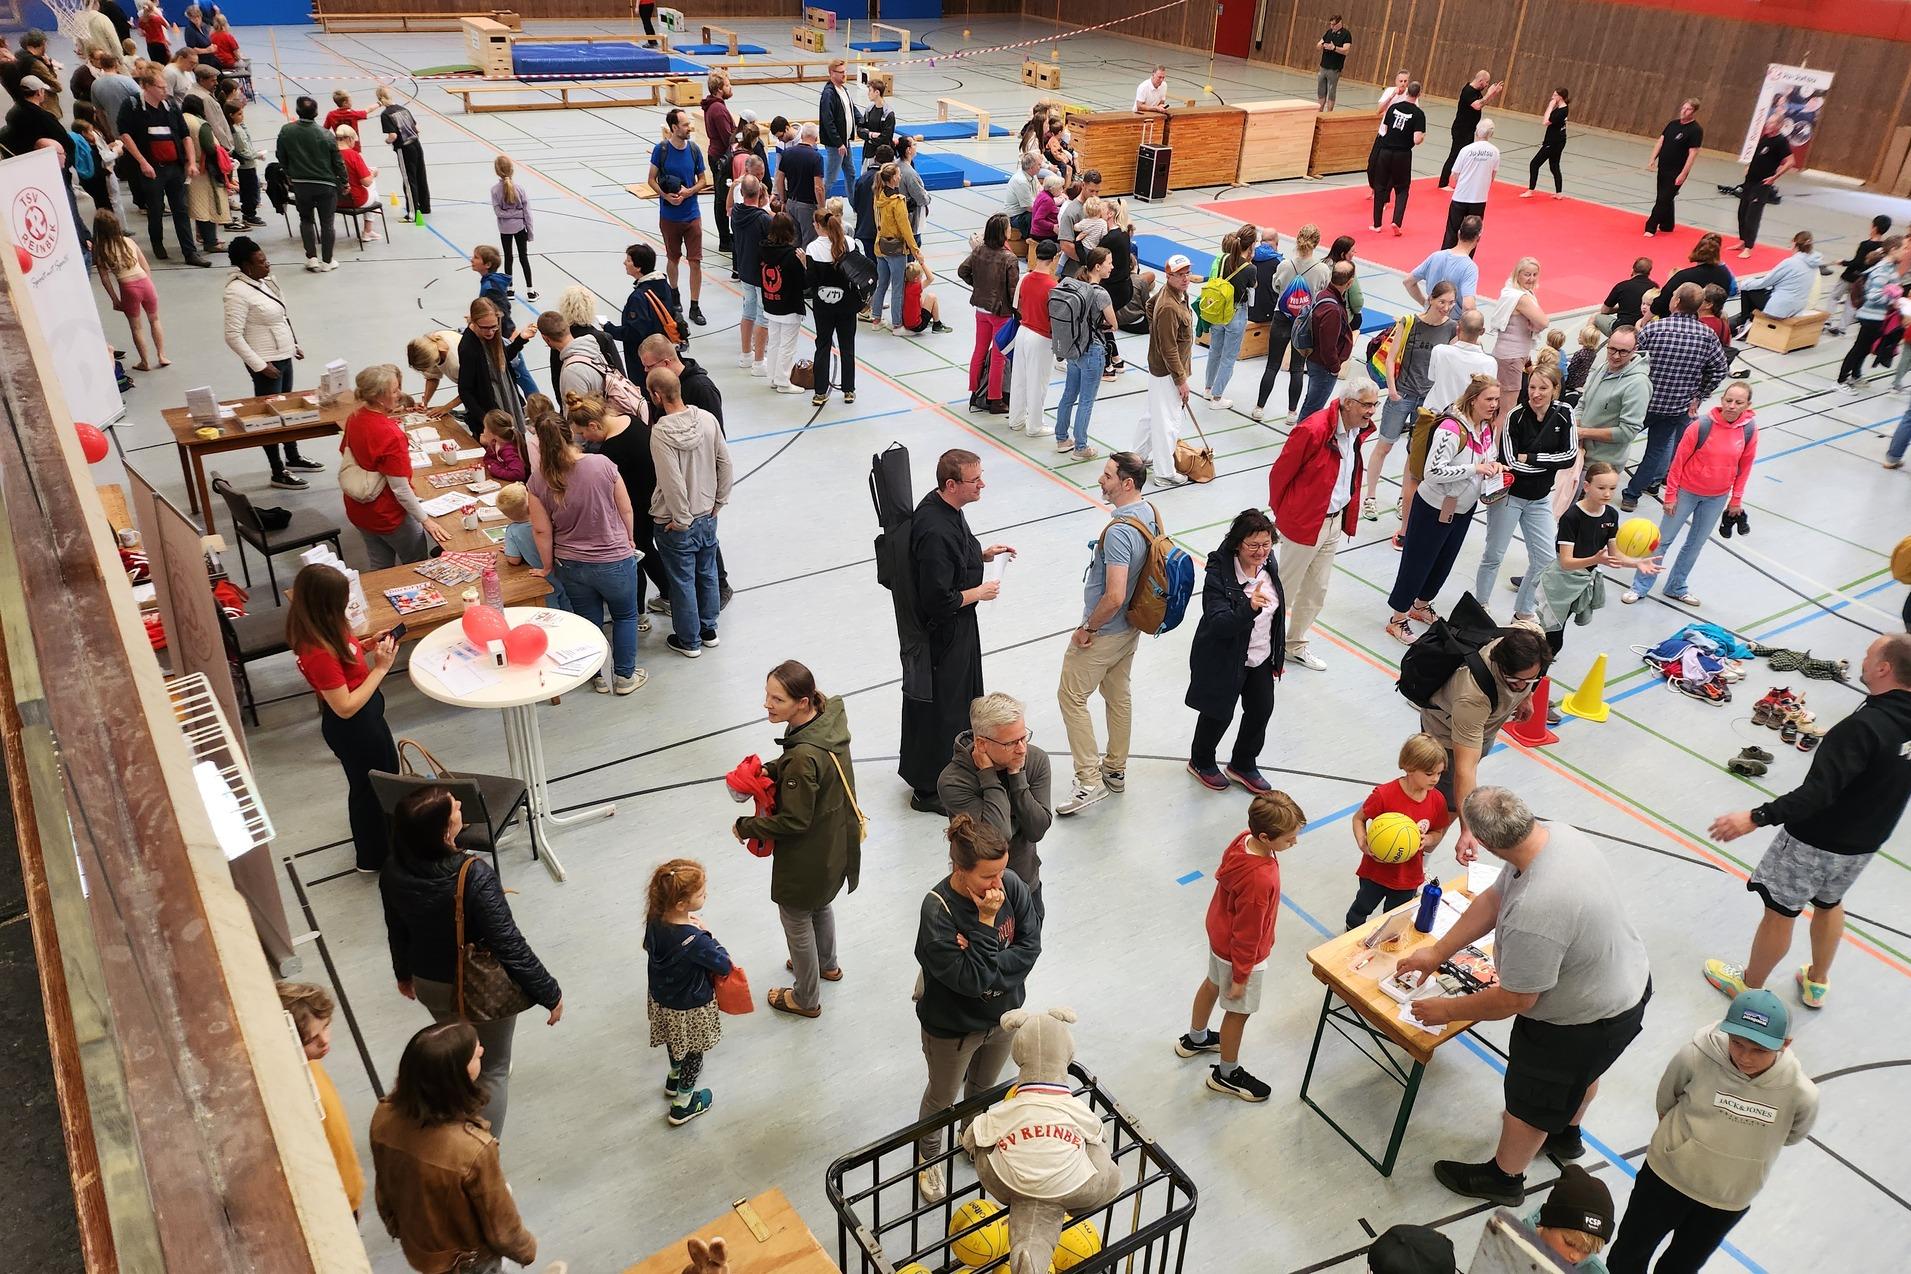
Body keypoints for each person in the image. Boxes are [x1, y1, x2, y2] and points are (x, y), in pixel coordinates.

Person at [1398, 787, 1652, 1206]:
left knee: (1530, 1103)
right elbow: (1496, 898)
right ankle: (1566, 1137)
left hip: (1582, 1020)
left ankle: (1504, 1178)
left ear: (1489, 844)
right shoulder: (1557, 835)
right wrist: (1437, 952)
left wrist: (1446, 1009)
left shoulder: (1537, 907)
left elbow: (1516, 1000)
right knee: (1582, 1075)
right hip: (1623, 989)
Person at [1702, 633, 1911, 1008]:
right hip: (1865, 842)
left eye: (1868, 655)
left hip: (1817, 839)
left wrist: (1755, 817)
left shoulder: (1864, 728)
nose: (1861, 660)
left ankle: (1748, 986)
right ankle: (1817, 981)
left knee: (1780, 912)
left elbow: (1818, 794)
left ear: (1884, 668)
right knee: (1830, 902)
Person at [381, 785, 563, 1139]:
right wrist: (550, 993)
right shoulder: (472, 873)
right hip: (477, 985)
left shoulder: (393, 868)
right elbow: (509, 943)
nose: (462, 804)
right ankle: (482, 1152)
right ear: (445, 831)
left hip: (428, 983)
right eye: (454, 809)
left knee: (460, 1052)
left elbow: (396, 927)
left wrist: (403, 974)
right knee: (493, 1067)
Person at [1607, 991, 1819, 1274]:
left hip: (1726, 1201)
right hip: (1665, 1180)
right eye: (1738, 1043)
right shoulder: (1695, 1056)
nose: (1745, 1057)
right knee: (1627, 1256)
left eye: (1759, 1050)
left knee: (1681, 1267)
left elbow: (1792, 1135)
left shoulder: (1801, 1094)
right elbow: (1666, 1101)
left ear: (1785, 1044)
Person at [912, 813, 1043, 1203]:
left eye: (1001, 872)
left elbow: (1030, 947)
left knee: (984, 1087)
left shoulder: (1012, 885)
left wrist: (986, 966)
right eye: (988, 876)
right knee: (941, 1097)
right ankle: (928, 1157)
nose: (998, 884)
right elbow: (968, 983)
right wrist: (986, 923)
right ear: (959, 869)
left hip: (1001, 1018)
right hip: (952, 1027)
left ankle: (973, 1134)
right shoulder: (938, 912)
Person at [733, 660, 861, 1017]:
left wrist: (746, 827)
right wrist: (775, 768)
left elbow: (793, 821)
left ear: (802, 702)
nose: (767, 704)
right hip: (834, 843)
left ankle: (805, 997)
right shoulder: (827, 721)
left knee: (796, 918)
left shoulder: (803, 756)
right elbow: (807, 766)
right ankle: (828, 964)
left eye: (777, 699)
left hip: (807, 855)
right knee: (820, 905)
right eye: (767, 695)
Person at [370, 1022, 539, 1271]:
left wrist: (395, 1224)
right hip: (467, 1261)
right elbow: (501, 1229)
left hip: (422, 1250)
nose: (481, 1051)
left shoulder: (384, 1115)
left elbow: (384, 1184)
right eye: (474, 1053)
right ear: (457, 1075)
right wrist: (527, 1249)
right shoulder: (473, 1150)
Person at [900, 450, 1011, 812]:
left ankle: (952, 772)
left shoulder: (946, 511)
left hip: (958, 628)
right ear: (951, 485)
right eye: (974, 480)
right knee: (945, 709)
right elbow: (937, 598)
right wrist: (978, 592)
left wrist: (983, 555)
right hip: (943, 636)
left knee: (959, 702)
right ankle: (930, 789)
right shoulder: (933, 529)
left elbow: (956, 554)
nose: (982, 484)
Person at [1174, 790, 1303, 1101]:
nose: (1294, 843)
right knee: (1238, 1011)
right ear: (1265, 836)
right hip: (1241, 954)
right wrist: (1242, 976)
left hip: (1219, 935)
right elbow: (1248, 934)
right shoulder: (1261, 880)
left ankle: (1196, 1039)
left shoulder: (1243, 839)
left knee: (1212, 983)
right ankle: (1227, 1074)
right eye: (1288, 839)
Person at [1055, 453, 1153, 815]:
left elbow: (1113, 594)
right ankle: (1115, 769)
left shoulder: (1119, 533)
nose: (1101, 479)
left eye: (1108, 475)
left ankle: (1089, 780)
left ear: (1127, 483)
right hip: (1131, 627)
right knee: (1117, 693)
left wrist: (1087, 628)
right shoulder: (1150, 515)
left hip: (1106, 630)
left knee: (1071, 697)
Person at [286, 563, 401, 873]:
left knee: (388, 777)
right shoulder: (316, 651)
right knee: (369, 791)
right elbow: (345, 706)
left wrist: (366, 645)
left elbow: (346, 657)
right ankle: (372, 857)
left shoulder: (329, 626)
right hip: (354, 727)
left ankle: (391, 841)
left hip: (369, 717)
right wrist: (380, 668)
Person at [524, 402, 646, 692]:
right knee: (625, 615)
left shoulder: (538, 480)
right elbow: (626, 508)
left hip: (571, 564)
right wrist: (629, 538)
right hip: (613, 558)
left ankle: (598, 675)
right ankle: (625, 676)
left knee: (588, 619)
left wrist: (546, 565)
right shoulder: (601, 464)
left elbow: (541, 529)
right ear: (571, 434)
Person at [1268, 382, 1376, 670]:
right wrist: (1287, 515)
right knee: (1285, 590)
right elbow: (1280, 474)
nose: (1372, 411)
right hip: (1304, 523)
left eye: (1374, 405)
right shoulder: (1313, 430)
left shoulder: (1356, 431)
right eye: (1367, 404)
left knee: (1317, 590)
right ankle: (1266, 646)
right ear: (1349, 403)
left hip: (1333, 521)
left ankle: (1295, 644)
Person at [1620, 381, 1754, 609]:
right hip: (1687, 492)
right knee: (1662, 542)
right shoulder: (1701, 426)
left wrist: (1736, 499)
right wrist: (1671, 495)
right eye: (1728, 400)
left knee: (1695, 544)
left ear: (1747, 405)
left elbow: (1745, 465)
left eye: (1738, 402)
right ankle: (1640, 586)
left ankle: (1676, 586)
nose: (1732, 406)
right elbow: (1678, 461)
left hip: (1716, 497)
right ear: (1722, 400)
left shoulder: (1749, 430)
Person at [1386, 377, 1501, 642]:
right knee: (1417, 563)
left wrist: (1494, 467)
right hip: (1434, 508)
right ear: (1473, 400)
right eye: (1489, 399)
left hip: (1463, 508)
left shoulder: (1485, 427)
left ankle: (1420, 605)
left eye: (1496, 400)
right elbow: (1433, 471)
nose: (1494, 405)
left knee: (1443, 562)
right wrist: (1475, 469)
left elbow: (1488, 456)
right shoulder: (1451, 429)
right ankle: (1397, 618)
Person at [1185, 509, 1287, 790]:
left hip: (1261, 656)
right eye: (1253, 545)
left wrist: (1277, 653)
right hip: (1225, 657)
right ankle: (1201, 761)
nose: (1260, 551)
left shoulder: (1269, 563)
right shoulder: (1219, 574)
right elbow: (1219, 623)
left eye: (1266, 544)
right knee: (1219, 713)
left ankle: (1243, 763)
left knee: (1261, 709)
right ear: (1237, 544)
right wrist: (1249, 607)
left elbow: (1277, 614)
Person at [224, 237, 324, 488]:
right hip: (266, 362)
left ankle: (293, 457)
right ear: (246, 266)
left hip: (284, 354)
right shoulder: (236, 292)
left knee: (289, 409)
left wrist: (294, 345)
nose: (267, 264)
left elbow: (282, 316)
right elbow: (233, 335)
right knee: (267, 417)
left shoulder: (267, 281)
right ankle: (277, 470)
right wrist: (259, 365)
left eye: (266, 259)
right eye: (261, 262)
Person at [1475, 367, 1575, 617]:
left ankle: (1523, 611)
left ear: (1555, 389)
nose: (1536, 393)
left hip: (1540, 499)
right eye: (1532, 387)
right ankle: (1480, 606)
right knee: (1493, 555)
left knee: (1545, 559)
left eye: (1543, 388)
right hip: (1509, 497)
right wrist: (1548, 462)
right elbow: (1510, 462)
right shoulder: (1515, 416)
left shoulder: (1565, 413)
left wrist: (1531, 457)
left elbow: (1570, 456)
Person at [1534, 463, 1658, 663]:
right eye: (1601, 488)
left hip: (1582, 582)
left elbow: (1614, 554)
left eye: (1612, 488)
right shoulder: (1572, 517)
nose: (1607, 494)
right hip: (1560, 583)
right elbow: (1565, 562)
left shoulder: (1611, 515)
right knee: (1549, 638)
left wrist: (1637, 563)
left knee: (1554, 639)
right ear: (1586, 486)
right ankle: (1532, 679)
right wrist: (1595, 559)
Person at [646, 367, 730, 657]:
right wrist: (719, 501)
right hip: (707, 514)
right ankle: (708, 629)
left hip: (677, 521)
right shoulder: (707, 420)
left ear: (657, 396)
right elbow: (725, 462)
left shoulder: (660, 433)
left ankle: (689, 640)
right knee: (706, 573)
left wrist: (681, 519)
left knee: (682, 581)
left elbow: (671, 482)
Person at [643, 857, 731, 1126]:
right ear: (682, 904)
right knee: (694, 1051)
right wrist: (708, 933)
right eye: (702, 893)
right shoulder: (696, 941)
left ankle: (674, 1075)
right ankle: (683, 1103)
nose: (707, 895)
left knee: (674, 1039)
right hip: (692, 1006)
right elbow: (724, 964)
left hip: (663, 999)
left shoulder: (655, 920)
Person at [1624, 283, 1727, 510]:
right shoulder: (1707, 336)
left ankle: (1601, 483)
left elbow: (1630, 361)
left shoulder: (1654, 329)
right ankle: (1631, 496)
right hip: (1676, 407)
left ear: (1677, 302)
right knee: (1655, 452)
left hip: (1643, 401)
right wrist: (1699, 395)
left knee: (1620, 440)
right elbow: (1720, 370)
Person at [938, 691, 1052, 894]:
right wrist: (989, 777)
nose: (1022, 749)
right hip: (979, 894)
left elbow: (1037, 829)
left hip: (1027, 885)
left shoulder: (1036, 760)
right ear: (981, 743)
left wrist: (1017, 775)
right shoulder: (954, 782)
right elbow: (998, 836)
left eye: (1023, 738)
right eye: (1011, 743)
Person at [340, 364, 450, 567]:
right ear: (380, 397)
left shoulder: (354, 418)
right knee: (416, 565)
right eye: (395, 390)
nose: (400, 394)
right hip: (389, 515)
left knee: (380, 565)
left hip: (360, 509)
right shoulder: (390, 434)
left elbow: (348, 453)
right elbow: (400, 489)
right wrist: (426, 521)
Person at [1364, 281, 1456, 520]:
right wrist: (1393, 391)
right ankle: (1370, 496)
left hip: (1428, 401)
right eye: (1442, 301)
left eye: (1450, 303)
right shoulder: (1409, 322)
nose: (1446, 307)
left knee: (1415, 453)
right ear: (1431, 300)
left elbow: (1450, 365)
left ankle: (1404, 499)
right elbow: (1391, 357)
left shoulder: (1451, 329)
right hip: (1402, 394)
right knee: (1384, 445)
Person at [1345, 734, 1450, 928]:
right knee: (1361, 908)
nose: (1435, 779)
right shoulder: (1384, 795)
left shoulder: (1437, 800)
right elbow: (1358, 818)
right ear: (1409, 767)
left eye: (1439, 773)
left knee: (1394, 919)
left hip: (1407, 877)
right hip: (1375, 871)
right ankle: (1350, 932)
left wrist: (1427, 840)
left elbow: (1438, 832)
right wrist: (1362, 842)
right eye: (1429, 773)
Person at [276, 982, 363, 1216]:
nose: (324, 1041)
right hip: (334, 1205)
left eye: (325, 1027)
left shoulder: (311, 1063)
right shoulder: (292, 1090)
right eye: (310, 1039)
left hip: (347, 1195)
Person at [117, 68, 207, 265]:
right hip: (151, 168)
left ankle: (189, 252)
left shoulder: (171, 106)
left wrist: (191, 162)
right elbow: (125, 134)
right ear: (147, 86)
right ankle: (157, 242)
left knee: (180, 209)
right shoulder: (132, 106)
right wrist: (142, 162)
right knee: (156, 209)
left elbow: (185, 136)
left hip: (174, 167)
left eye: (165, 86)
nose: (165, 90)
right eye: (160, 87)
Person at [1251, 224, 1328, 423]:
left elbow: (1276, 285)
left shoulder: (1285, 264)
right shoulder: (1321, 269)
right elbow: (1321, 291)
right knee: (1297, 368)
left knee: (1272, 365)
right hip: (1304, 323)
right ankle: (1292, 413)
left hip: (1282, 317)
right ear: (1317, 243)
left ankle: (1259, 407)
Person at [1051, 245, 1116, 460]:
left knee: (1069, 394)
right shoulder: (1101, 293)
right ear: (1098, 267)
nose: (1112, 267)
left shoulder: (1075, 284)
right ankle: (1081, 447)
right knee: (1086, 400)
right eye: (1109, 263)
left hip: (1074, 348)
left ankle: (1062, 438)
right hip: (1092, 350)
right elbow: (1113, 324)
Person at [1136, 254, 1195, 480]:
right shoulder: (1170, 306)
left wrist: (1157, 331)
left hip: (1161, 369)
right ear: (1168, 276)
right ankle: (1164, 472)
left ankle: (1137, 455)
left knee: (1152, 415)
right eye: (1179, 275)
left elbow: (1149, 305)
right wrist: (1181, 380)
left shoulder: (1173, 294)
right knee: (1168, 422)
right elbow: (1169, 349)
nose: (1185, 278)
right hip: (1167, 373)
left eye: (1187, 273)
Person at [650, 108, 709, 326]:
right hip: (669, 216)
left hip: (692, 214)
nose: (689, 128)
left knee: (695, 262)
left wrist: (688, 192)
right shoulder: (661, 150)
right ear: (674, 128)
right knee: (672, 258)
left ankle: (695, 305)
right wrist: (666, 195)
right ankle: (674, 297)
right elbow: (651, 179)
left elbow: (703, 180)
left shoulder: (694, 149)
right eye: (685, 125)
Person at [275, 96, 345, 272]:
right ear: (316, 112)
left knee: (306, 219)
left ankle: (311, 258)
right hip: (325, 184)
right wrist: (344, 181)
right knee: (327, 223)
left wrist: (288, 172)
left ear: (298, 111)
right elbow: (338, 162)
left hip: (301, 184)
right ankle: (327, 261)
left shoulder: (286, 130)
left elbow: (280, 155)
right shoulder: (326, 134)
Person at [959, 213, 1020, 414]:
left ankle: (975, 391)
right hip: (1000, 312)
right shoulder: (1009, 258)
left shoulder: (979, 251)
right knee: (998, 355)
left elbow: (963, 271)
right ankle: (995, 399)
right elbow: (1013, 290)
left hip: (981, 309)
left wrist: (978, 287)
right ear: (1003, 232)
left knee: (979, 350)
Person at [806, 208, 865, 407]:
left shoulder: (813, 249)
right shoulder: (848, 242)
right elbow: (858, 272)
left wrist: (804, 265)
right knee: (847, 346)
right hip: (847, 304)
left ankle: (820, 392)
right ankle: (849, 390)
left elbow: (811, 281)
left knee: (823, 345)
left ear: (817, 225)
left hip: (823, 306)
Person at [95, 209, 165, 370]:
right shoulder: (129, 241)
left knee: (136, 327)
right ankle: (162, 355)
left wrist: (115, 299)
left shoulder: (101, 249)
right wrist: (150, 285)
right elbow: (145, 266)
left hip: (128, 286)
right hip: (144, 282)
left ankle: (145, 362)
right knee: (155, 320)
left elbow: (105, 279)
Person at [457, 297, 534, 442]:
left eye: (494, 327)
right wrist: (485, 418)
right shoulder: (468, 347)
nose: (490, 332)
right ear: (473, 321)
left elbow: (501, 360)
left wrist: (520, 340)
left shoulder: (493, 335)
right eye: (485, 328)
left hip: (507, 399)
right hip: (490, 412)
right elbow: (465, 390)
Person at [1837, 235, 1908, 389]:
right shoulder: (1882, 270)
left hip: (1878, 316)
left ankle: (1855, 375)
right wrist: (1892, 300)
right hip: (1871, 316)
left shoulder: (1890, 268)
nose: (1905, 252)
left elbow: (1893, 286)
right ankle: (1841, 381)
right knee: (1859, 348)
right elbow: (1873, 296)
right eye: (1903, 248)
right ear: (1893, 250)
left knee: (1865, 348)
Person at [605, 241, 685, 375]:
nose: (625, 263)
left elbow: (635, 332)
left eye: (629, 260)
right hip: (663, 349)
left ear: (638, 267)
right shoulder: (663, 285)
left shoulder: (638, 297)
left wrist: (609, 329)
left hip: (646, 359)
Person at [1007, 238, 1059, 434]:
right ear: (1054, 258)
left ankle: (1016, 419)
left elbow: (1017, 306)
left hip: (1023, 332)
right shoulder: (1052, 286)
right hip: (1041, 337)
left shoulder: (1025, 278)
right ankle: (1035, 425)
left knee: (1019, 378)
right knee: (1038, 382)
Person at [1486, 257, 1547, 423]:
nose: (1531, 279)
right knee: (1507, 410)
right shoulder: (1521, 298)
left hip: (1504, 355)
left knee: (1496, 406)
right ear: (1517, 274)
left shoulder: (1509, 292)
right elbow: (1543, 322)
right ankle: (1498, 448)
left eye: (1535, 275)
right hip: (1512, 358)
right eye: (1527, 274)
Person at [1202, 225, 1256, 409]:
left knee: (1214, 351)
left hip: (1218, 310)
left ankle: (1208, 388)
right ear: (1251, 246)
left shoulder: (1224, 258)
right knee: (1228, 357)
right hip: (1236, 312)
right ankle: (1217, 398)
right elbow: (1252, 287)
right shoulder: (1250, 268)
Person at [1522, 1166, 1615, 1271]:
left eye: (1587, 1250)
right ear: (1548, 1221)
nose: (1575, 1256)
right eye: (1569, 1243)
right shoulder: (1512, 1238)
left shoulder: (1595, 1271)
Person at [1297, 260, 1356, 420]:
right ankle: (1300, 441)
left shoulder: (1323, 295)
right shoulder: (1332, 310)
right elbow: (1328, 346)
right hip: (1324, 367)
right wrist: (1334, 367)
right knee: (1313, 409)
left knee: (1311, 403)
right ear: (1349, 282)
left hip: (1316, 361)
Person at [495, 481, 568, 610]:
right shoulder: (547, 520)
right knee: (567, 604)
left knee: (552, 608)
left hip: (542, 577)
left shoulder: (512, 530)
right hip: (562, 571)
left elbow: (514, 560)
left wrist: (510, 551)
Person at [756, 212, 807, 394]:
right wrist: (804, 265)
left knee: (775, 342)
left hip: (770, 303)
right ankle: (783, 381)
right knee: (787, 345)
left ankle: (773, 377)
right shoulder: (792, 256)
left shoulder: (762, 250)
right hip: (789, 306)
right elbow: (804, 284)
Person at [871, 161, 923, 335]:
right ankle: (897, 325)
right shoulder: (897, 201)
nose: (900, 176)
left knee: (882, 284)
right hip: (895, 248)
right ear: (893, 178)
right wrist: (915, 249)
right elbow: (905, 227)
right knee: (898, 286)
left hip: (880, 246)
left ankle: (876, 319)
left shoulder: (878, 196)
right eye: (899, 175)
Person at [1734, 231, 1821, 332]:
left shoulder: (1790, 263)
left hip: (1781, 308)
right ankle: (1750, 318)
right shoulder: (1813, 265)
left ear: (1794, 243)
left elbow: (1765, 282)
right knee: (1755, 287)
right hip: (1798, 307)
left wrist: (1744, 284)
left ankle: (1744, 321)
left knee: (1748, 288)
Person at [1368, 81, 1424, 235]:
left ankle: (1377, 224)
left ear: (1407, 92)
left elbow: (1385, 129)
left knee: (1380, 186)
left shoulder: (1393, 108)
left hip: (1385, 151)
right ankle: (1396, 221)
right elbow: (1417, 139)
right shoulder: (1418, 114)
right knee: (1402, 189)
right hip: (1403, 154)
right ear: (1419, 94)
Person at [178, 96, 231, 253]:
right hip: (203, 170)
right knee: (207, 206)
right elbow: (210, 147)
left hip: (184, 166)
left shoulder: (180, 119)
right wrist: (223, 155)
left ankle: (204, 237)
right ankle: (210, 241)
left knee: (196, 205)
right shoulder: (201, 124)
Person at [1735, 113, 1793, 256]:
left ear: (1779, 125)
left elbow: (1791, 162)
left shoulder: (1781, 142)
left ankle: (1748, 247)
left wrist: (1775, 177)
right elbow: (1759, 156)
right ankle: (1743, 240)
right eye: (1768, 122)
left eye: (1771, 123)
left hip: (1762, 185)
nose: (1768, 125)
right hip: (1749, 181)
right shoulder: (1765, 138)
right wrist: (1750, 165)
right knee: (1742, 212)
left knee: (1752, 216)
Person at [1644, 99, 1703, 237]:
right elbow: (1661, 141)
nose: (1684, 111)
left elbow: (1692, 154)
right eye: (1683, 108)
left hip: (1677, 171)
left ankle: (1650, 226)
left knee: (1663, 199)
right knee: (1664, 197)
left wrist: (1683, 173)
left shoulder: (1696, 130)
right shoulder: (1672, 124)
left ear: (1694, 112)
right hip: (1663, 167)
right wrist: (1653, 158)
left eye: (1688, 109)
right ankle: (1667, 224)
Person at [730, 174, 770, 373]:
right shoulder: (763, 219)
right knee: (763, 317)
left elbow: (730, 206)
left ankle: (746, 354)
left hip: (745, 270)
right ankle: (759, 361)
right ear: (761, 192)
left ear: (742, 192)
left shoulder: (736, 213)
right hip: (762, 274)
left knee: (748, 312)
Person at [1438, 69, 1502, 188]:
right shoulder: (1468, 91)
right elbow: (1477, 105)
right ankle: (1443, 183)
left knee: (1466, 156)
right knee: (1455, 155)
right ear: (1480, 80)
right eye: (1486, 82)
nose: (1487, 85)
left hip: (1469, 130)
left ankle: (1462, 180)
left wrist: (1494, 93)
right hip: (1461, 129)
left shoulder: (1477, 91)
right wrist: (1489, 93)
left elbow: (1483, 102)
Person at [1440, 125, 1498, 253]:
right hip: (1479, 198)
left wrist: (1462, 183)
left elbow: (1454, 173)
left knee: (1452, 230)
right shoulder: (1495, 151)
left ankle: (1446, 256)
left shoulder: (1466, 149)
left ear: (1476, 131)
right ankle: (1467, 257)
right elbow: (1493, 175)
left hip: (1461, 196)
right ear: (1491, 134)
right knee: (1473, 232)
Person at [1831, 214, 1891, 335]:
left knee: (1834, 297)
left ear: (1874, 228)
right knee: (1851, 303)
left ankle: (1827, 320)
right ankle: (1842, 328)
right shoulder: (1883, 248)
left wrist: (1842, 262)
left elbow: (1857, 262)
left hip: (1849, 276)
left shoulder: (1865, 245)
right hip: (1862, 280)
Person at [1650, 233, 1735, 318]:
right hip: (1713, 317)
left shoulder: (1683, 276)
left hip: (1680, 319)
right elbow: (1731, 292)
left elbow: (1661, 301)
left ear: (1697, 251)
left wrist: (1644, 320)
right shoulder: (1725, 273)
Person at [375, 84, 429, 216]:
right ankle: (425, 207)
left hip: (405, 148)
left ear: (379, 99)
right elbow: (417, 129)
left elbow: (393, 135)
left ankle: (412, 211)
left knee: (409, 179)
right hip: (417, 144)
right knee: (420, 175)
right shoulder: (403, 109)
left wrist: (387, 141)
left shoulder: (386, 114)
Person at [700, 72, 735, 256]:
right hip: (722, 158)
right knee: (722, 199)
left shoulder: (714, 106)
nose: (731, 88)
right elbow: (727, 138)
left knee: (720, 198)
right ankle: (724, 239)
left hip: (716, 155)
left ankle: (725, 236)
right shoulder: (718, 110)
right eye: (728, 85)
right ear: (719, 89)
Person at [775, 122, 824, 244]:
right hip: (807, 206)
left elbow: (779, 178)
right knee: (810, 242)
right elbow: (818, 187)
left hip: (791, 202)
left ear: (801, 135)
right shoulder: (816, 157)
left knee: (794, 240)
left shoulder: (787, 153)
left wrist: (783, 200)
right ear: (816, 138)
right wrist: (822, 208)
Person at [817, 58, 855, 198]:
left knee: (851, 173)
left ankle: (855, 204)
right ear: (831, 73)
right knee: (831, 178)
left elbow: (851, 110)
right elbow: (828, 121)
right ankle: (820, 206)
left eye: (845, 71)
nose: (844, 75)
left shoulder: (843, 90)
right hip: (836, 144)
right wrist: (838, 142)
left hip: (845, 141)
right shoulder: (829, 94)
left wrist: (864, 122)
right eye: (840, 72)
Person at [223, 97, 263, 231]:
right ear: (231, 116)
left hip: (249, 164)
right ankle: (249, 214)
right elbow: (243, 150)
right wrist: (257, 155)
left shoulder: (239, 127)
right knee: (249, 190)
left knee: (251, 188)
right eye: (239, 114)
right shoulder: (236, 131)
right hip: (246, 165)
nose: (242, 116)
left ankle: (250, 211)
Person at [333, 124, 378, 238]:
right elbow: (366, 182)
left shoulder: (329, 154)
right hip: (355, 199)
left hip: (334, 199)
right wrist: (373, 174)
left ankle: (368, 232)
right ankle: (367, 231)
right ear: (349, 139)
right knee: (373, 186)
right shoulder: (353, 155)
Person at [1522, 88, 1569, 197]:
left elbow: (1545, 122)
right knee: (1554, 165)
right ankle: (1559, 193)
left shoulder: (1561, 111)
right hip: (1559, 140)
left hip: (1553, 142)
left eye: (1555, 95)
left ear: (1560, 97)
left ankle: (1530, 190)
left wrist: (1550, 106)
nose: (1553, 97)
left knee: (1534, 164)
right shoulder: (1563, 108)